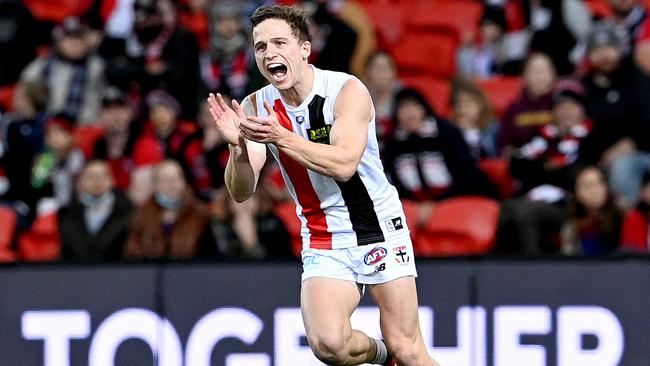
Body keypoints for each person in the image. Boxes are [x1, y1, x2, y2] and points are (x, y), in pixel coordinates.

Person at [206, 5, 439, 366]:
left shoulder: (346, 90)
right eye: (261, 46)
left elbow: (345, 165)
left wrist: (282, 138)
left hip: (377, 225)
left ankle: (396, 351)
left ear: (304, 49)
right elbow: (241, 190)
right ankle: (382, 354)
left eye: (279, 42)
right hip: (322, 233)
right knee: (328, 344)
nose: (269, 53)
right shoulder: (256, 105)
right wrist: (237, 150)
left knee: (409, 348)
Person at [124, 159, 217, 260]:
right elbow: (132, 252)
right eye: (165, 180)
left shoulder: (200, 214)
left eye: (175, 179)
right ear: (155, 184)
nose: (171, 184)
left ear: (183, 181)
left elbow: (210, 256)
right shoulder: (141, 215)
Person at [58, 160, 133, 262]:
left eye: (102, 176)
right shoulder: (69, 217)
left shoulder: (127, 215)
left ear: (112, 180)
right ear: (81, 182)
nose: (97, 181)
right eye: (91, 176)